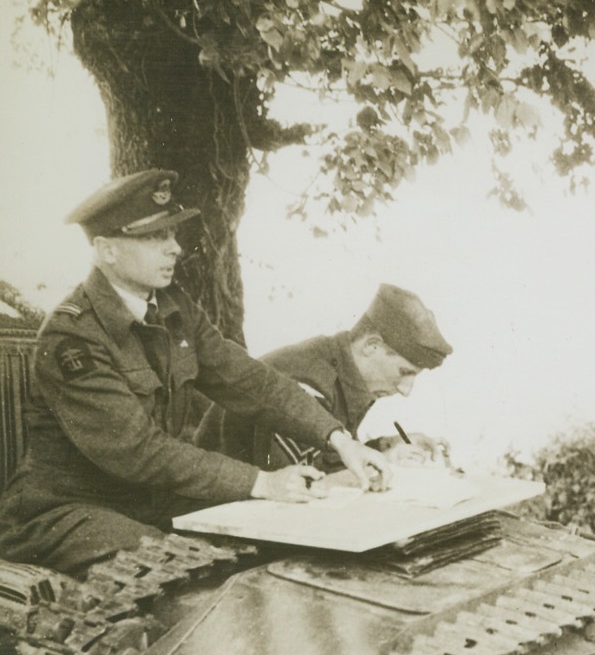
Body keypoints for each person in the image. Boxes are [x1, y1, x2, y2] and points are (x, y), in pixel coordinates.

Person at [0, 169, 392, 578]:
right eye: (155, 237)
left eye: (172, 233)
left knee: (277, 536)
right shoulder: (72, 336)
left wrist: (340, 440)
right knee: (171, 570)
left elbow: (251, 381)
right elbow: (138, 451)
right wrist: (261, 482)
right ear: (107, 250)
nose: (174, 248)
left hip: (148, 498)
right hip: (64, 510)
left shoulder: (174, 309)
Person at [194, 283, 452, 472]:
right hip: (212, 513)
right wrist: (384, 465)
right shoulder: (310, 379)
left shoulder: (342, 368)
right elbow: (301, 480)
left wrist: (385, 447)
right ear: (371, 346)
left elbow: (325, 458)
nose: (406, 389)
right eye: (405, 372)